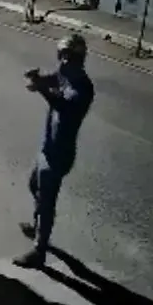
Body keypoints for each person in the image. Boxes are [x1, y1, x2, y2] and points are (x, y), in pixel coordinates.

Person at [14, 33, 94, 269]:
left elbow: (63, 105)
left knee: (47, 201)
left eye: (63, 56)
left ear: (70, 57)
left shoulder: (83, 88)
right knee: (34, 186)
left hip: (59, 154)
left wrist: (41, 89)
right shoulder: (65, 74)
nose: (60, 61)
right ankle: (40, 227)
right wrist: (37, 80)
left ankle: (39, 250)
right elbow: (52, 80)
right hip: (47, 148)